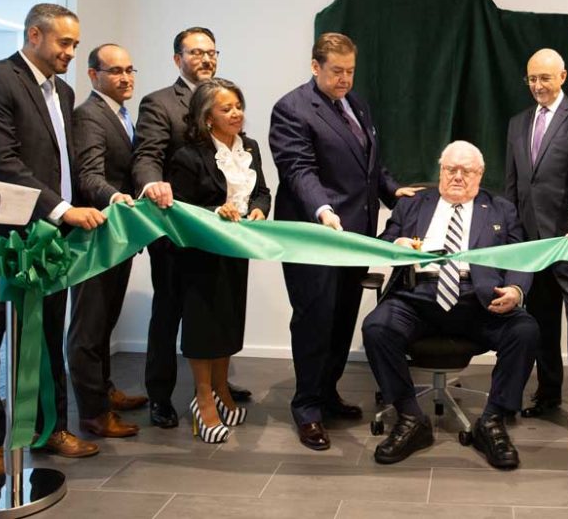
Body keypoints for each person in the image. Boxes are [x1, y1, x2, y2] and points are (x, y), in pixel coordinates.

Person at [0, 3, 105, 483]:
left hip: (48, 240)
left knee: (45, 336)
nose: (70, 52)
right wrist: (63, 209)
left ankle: (50, 431)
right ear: (34, 35)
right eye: (64, 43)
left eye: (75, 45)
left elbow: (61, 163)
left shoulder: (63, 91)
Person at [269, 32, 417, 450]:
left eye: (350, 71)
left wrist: (392, 192)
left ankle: (327, 393)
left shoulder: (357, 103)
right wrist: (322, 209)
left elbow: (370, 163)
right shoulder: (292, 108)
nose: (345, 79)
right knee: (315, 320)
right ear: (315, 66)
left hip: (355, 237)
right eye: (337, 71)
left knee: (341, 318)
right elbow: (298, 171)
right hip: (317, 235)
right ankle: (307, 409)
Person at [363, 141, 539, 469]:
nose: (457, 177)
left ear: (480, 174)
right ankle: (410, 418)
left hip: (478, 301)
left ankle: (492, 421)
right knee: (376, 328)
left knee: (525, 330)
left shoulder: (501, 208)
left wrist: (515, 288)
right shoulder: (413, 204)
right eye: (450, 169)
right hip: (418, 297)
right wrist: (397, 244)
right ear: (440, 170)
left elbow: (521, 256)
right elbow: (384, 242)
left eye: (466, 171)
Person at [132, 27, 250, 429]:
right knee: (169, 313)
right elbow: (148, 155)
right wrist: (152, 185)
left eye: (212, 52)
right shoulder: (159, 102)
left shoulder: (225, 103)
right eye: (196, 52)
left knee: (215, 311)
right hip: (175, 227)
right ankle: (161, 396)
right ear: (177, 57)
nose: (206, 59)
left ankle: (217, 387)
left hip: (221, 237)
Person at [505, 48, 568, 450]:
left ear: (563, 75)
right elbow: (512, 185)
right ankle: (547, 396)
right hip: (532, 243)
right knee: (540, 324)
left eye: (545, 78)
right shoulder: (517, 122)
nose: (538, 86)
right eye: (532, 79)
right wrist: (508, 236)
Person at [167, 78, 270, 443]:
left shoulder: (251, 147)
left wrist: (258, 211)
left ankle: (223, 389)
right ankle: (203, 397)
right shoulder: (187, 155)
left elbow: (261, 191)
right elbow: (179, 208)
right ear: (207, 117)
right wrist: (215, 211)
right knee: (203, 325)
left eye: (238, 106)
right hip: (200, 252)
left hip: (237, 249)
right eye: (226, 108)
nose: (236, 113)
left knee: (228, 321)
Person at [68, 44, 148, 440]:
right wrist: (115, 197)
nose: (126, 77)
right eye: (115, 70)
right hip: (94, 234)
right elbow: (88, 176)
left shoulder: (119, 114)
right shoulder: (89, 115)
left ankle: (104, 391)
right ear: (93, 75)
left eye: (130, 69)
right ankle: (93, 415)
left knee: (105, 322)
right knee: (88, 328)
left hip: (118, 236)